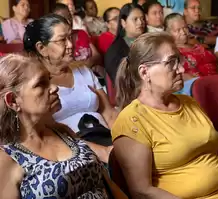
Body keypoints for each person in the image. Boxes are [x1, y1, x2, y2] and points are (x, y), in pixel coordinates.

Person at [0, 53, 128, 199]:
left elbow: (107, 184)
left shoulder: (62, 131)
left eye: (49, 79)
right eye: (41, 84)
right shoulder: (8, 158)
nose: (54, 88)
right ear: (13, 101)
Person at [112, 32, 218, 199]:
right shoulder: (133, 120)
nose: (182, 69)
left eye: (179, 60)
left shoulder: (189, 103)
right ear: (144, 72)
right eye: (171, 62)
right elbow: (142, 191)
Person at [23, 14, 117, 163]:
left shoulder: (84, 71)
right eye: (62, 40)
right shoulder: (36, 86)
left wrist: (121, 144)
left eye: (70, 37)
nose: (71, 45)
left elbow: (109, 114)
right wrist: (104, 152)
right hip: (72, 153)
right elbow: (49, 134)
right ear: (42, 48)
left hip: (105, 138)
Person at [52, 3, 103, 77]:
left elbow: (97, 56)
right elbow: (62, 66)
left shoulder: (81, 33)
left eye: (69, 16)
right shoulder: (55, 41)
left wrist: (88, 64)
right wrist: (86, 65)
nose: (69, 20)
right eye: (63, 18)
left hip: (92, 74)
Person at [165, 13, 218, 80]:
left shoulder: (197, 46)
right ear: (168, 33)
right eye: (178, 30)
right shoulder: (171, 52)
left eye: (185, 28)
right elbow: (177, 75)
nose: (183, 32)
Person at [105, 3, 146, 83]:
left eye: (142, 18)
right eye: (135, 19)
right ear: (123, 23)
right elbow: (121, 82)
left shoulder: (148, 43)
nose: (140, 22)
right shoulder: (116, 50)